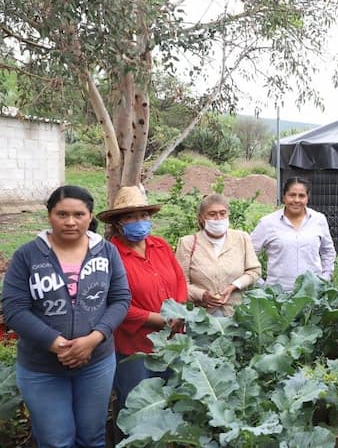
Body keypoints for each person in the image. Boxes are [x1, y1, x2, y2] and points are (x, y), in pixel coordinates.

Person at [2, 186, 131, 448]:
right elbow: (14, 309)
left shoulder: (107, 252)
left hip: (96, 363)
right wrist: (56, 344)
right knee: (55, 440)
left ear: (90, 215)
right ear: (49, 215)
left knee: (92, 437)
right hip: (42, 368)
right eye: (62, 214)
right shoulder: (27, 256)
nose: (70, 221)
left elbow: (120, 299)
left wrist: (93, 339)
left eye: (78, 214)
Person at [96, 186, 188, 411]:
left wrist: (178, 312)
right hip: (134, 347)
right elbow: (111, 302)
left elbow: (179, 280)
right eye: (131, 217)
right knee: (138, 406)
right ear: (118, 223)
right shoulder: (108, 254)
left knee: (171, 402)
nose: (140, 221)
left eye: (144, 215)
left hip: (172, 341)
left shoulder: (161, 246)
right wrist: (160, 319)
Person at [175, 194, 262, 316]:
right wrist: (202, 295)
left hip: (236, 316)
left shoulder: (241, 238)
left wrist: (234, 286)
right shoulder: (187, 243)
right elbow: (180, 283)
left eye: (222, 213)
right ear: (201, 218)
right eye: (212, 214)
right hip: (200, 318)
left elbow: (254, 272)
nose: (218, 218)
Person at [250, 177, 336, 291]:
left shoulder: (319, 220)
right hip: (277, 296)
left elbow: (328, 251)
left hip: (312, 294)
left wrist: (325, 278)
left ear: (307, 198)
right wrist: (262, 284)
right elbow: (248, 254)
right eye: (292, 195)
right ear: (284, 197)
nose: (296, 200)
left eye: (301, 196)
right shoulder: (267, 223)